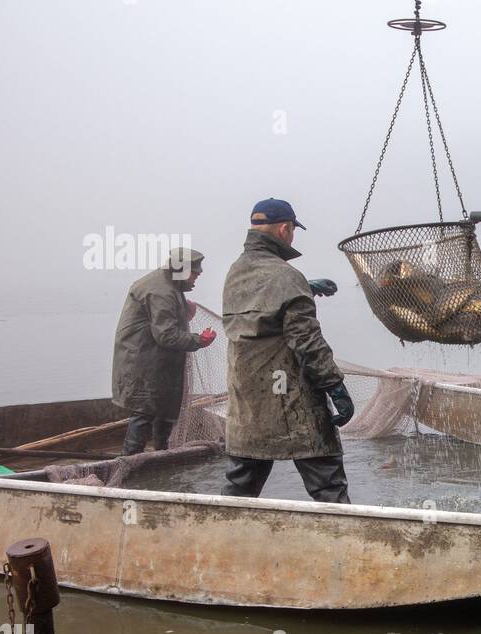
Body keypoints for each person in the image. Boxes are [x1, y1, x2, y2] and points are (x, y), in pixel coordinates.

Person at [221, 198, 354, 503]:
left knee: (240, 487)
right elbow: (307, 343)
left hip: (247, 401)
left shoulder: (236, 271)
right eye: (293, 230)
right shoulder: (286, 277)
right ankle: (345, 543)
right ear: (284, 229)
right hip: (291, 399)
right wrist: (336, 386)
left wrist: (302, 286)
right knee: (328, 485)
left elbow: (261, 304)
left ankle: (221, 542)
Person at [111, 247, 216, 455]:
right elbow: (166, 335)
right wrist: (199, 340)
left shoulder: (167, 284)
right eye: (195, 273)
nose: (197, 276)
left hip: (156, 362)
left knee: (165, 408)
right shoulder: (161, 291)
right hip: (142, 364)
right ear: (183, 271)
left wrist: (183, 311)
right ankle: (130, 461)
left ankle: (162, 453)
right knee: (144, 412)